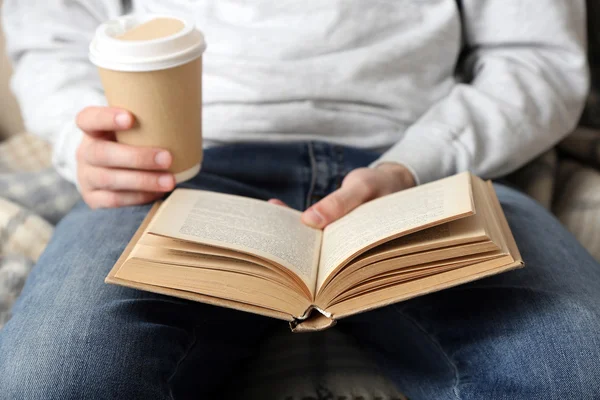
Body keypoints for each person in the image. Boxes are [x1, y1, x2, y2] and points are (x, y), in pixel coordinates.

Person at [1, 1, 599, 398]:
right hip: (178, 174)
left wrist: (412, 165)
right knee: (50, 380)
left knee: (579, 369)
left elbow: (537, 58)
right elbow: (52, 45)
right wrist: (87, 141)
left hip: (423, 167)